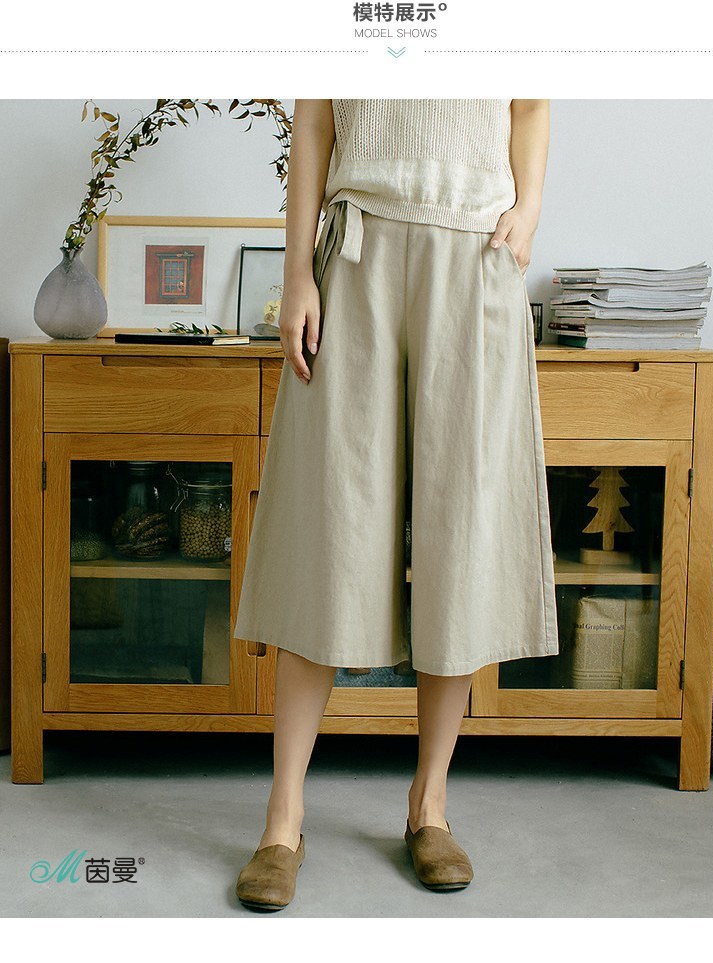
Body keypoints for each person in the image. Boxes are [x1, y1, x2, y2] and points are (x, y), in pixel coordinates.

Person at [233, 99, 559, 911]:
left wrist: (528, 211)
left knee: (459, 535)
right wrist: (298, 272)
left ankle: (429, 806)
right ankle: (282, 820)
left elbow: (531, 101)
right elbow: (315, 122)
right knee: (329, 530)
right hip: (359, 251)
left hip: (476, 255)